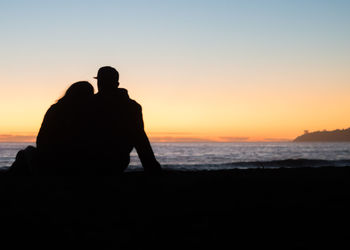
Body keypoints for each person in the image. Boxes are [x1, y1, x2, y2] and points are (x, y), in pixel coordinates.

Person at [91, 66, 161, 175]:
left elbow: (139, 137)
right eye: (101, 81)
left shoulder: (91, 103)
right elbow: (140, 139)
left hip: (102, 160)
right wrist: (152, 167)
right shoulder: (132, 106)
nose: (101, 85)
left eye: (103, 81)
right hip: (117, 160)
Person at [36, 81, 95, 175]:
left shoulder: (55, 109)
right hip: (71, 160)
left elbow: (41, 139)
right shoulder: (87, 114)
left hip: (52, 157)